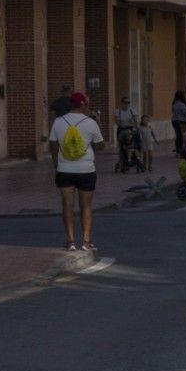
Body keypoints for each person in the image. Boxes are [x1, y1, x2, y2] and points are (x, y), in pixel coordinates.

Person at [49, 91, 105, 253]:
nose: (88, 107)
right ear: (82, 105)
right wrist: (97, 122)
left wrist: (56, 163)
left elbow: (53, 145)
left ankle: (70, 241)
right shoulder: (90, 122)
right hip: (86, 169)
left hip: (64, 169)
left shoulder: (58, 122)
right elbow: (101, 144)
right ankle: (86, 241)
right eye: (87, 104)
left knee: (67, 205)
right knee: (86, 206)